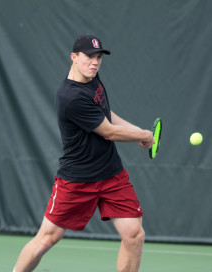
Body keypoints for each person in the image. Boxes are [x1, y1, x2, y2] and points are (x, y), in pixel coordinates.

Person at [13, 34, 155, 272]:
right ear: (74, 57)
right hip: (77, 180)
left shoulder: (92, 79)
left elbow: (106, 114)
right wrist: (142, 136)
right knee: (47, 238)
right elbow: (108, 132)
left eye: (98, 57)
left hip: (111, 175)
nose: (94, 62)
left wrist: (138, 130)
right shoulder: (70, 96)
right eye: (89, 56)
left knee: (134, 235)